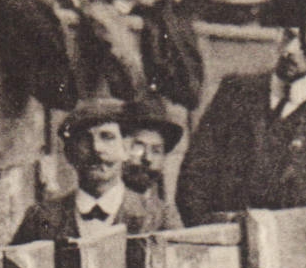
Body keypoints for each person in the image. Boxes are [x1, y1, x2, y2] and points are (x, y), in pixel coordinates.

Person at [176, 0, 306, 231]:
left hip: (294, 250)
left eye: (305, 45)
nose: (290, 51)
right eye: (289, 36)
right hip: (224, 242)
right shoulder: (235, 92)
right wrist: (210, 232)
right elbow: (194, 174)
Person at [10, 100, 182, 244]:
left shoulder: (158, 217)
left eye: (107, 137)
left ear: (127, 149)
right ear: (70, 154)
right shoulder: (40, 218)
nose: (97, 148)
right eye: (84, 139)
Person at [120, 96, 184, 205]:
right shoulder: (108, 202)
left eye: (156, 151)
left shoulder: (163, 210)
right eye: (139, 147)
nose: (147, 158)